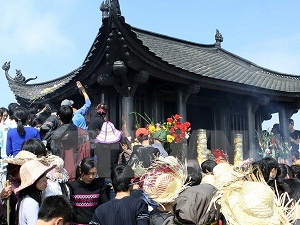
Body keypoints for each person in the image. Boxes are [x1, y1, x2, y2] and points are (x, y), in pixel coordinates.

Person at [50, 105, 90, 180]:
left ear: (58, 117)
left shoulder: (55, 135)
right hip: (81, 174)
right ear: (72, 116)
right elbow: (86, 154)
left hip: (62, 175)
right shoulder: (84, 133)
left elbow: (55, 156)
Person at [68, 158, 109, 225]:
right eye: (88, 173)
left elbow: (104, 207)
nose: (91, 177)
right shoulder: (71, 186)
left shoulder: (99, 186)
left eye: (93, 174)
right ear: (80, 171)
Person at [15, 160, 55, 225]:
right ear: (33, 181)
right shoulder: (32, 204)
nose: (45, 179)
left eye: (45, 175)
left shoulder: (23, 200)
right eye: (41, 176)